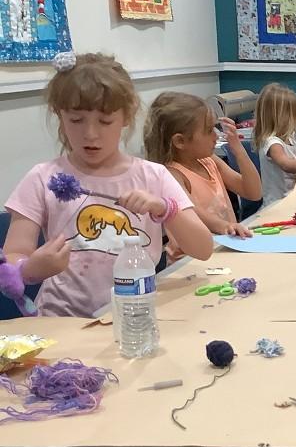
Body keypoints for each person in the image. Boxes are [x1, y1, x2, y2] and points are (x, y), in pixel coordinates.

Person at [3, 52, 213, 317]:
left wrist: (164, 209)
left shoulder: (154, 176)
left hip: (135, 316)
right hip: (62, 321)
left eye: (105, 121)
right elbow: (13, 257)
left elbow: (203, 250)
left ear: (126, 117)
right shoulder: (42, 178)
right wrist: (29, 269)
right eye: (76, 120)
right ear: (60, 115)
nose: (90, 134)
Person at [144, 92, 262, 261]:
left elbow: (253, 192)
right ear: (180, 141)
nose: (216, 135)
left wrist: (238, 149)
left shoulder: (209, 161)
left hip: (223, 249)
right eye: (208, 130)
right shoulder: (171, 174)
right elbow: (192, 212)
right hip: (191, 262)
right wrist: (225, 226)